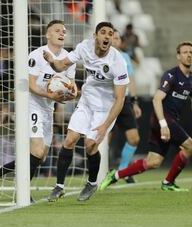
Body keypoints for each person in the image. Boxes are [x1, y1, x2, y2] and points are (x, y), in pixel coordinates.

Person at [0, 20, 77, 200]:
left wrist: (69, 95)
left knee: (40, 157)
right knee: (36, 151)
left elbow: (72, 87)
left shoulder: (68, 59)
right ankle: (23, 193)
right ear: (47, 35)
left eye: (64, 31)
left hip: (48, 109)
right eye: (57, 30)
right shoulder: (36, 55)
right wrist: (51, 96)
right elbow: (31, 85)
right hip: (32, 105)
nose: (62, 33)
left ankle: (0, 171)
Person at [100, 41, 192, 192]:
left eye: (191, 52)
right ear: (178, 56)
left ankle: (115, 175)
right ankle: (168, 182)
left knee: (153, 162)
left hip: (168, 121)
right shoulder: (171, 75)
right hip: (163, 119)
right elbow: (156, 99)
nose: (189, 55)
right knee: (190, 146)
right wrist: (163, 125)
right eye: (185, 52)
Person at [44, 22, 129, 202]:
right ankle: (59, 187)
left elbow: (120, 99)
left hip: (106, 109)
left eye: (110, 34)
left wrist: (105, 126)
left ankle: (91, 182)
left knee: (90, 145)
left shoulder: (118, 62)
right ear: (95, 36)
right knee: (69, 140)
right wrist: (52, 62)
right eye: (103, 33)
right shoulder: (84, 48)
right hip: (87, 101)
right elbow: (62, 65)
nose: (107, 36)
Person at [110, 29, 141, 183]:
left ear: (120, 42)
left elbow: (130, 80)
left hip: (125, 101)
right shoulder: (102, 58)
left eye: (116, 38)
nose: (114, 40)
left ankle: (123, 170)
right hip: (107, 102)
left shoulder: (124, 57)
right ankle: (99, 169)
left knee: (134, 138)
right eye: (112, 37)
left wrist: (134, 102)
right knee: (103, 139)